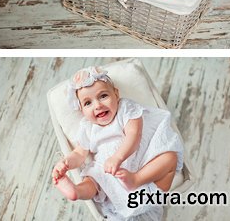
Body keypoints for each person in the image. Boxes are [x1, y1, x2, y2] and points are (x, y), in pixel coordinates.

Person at [52, 66, 182, 218]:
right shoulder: (88, 127)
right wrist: (67, 162)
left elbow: (134, 135)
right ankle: (76, 191)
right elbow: (80, 154)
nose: (98, 105)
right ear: (81, 110)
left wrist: (118, 157)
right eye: (88, 103)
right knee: (92, 182)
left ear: (116, 94)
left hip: (140, 169)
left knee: (170, 158)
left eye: (103, 96)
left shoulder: (126, 109)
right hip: (106, 172)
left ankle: (136, 180)